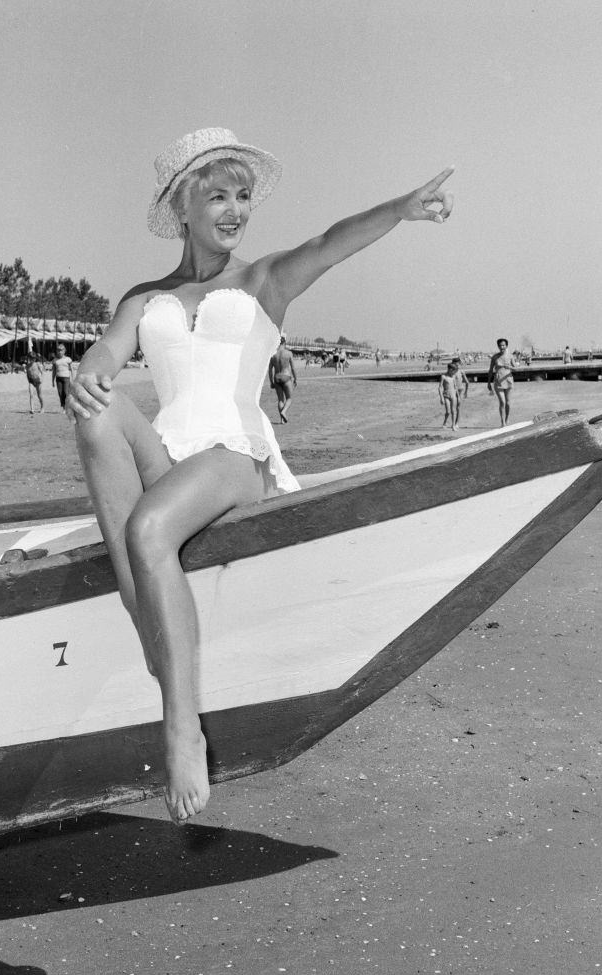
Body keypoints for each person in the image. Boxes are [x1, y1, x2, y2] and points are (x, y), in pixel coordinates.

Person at [66, 126, 454, 824]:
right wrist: (86, 380)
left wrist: (399, 209)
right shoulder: (142, 297)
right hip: (169, 455)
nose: (234, 210)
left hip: (235, 456)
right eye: (216, 196)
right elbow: (104, 355)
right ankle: (155, 635)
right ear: (181, 207)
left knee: (149, 527)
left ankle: (181, 725)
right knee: (95, 419)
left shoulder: (262, 280)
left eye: (242, 196)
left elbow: (328, 244)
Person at [486, 337, 516, 426]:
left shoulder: (510, 356)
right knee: (502, 402)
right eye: (500, 345)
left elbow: (516, 368)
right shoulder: (495, 357)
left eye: (503, 345)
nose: (501, 347)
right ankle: (502, 422)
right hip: (498, 381)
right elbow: (490, 370)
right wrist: (488, 383)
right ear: (498, 346)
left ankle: (507, 419)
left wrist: (509, 367)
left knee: (508, 403)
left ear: (506, 346)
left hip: (508, 381)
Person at [268, 336, 297, 423]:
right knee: (289, 398)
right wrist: (296, 378)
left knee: (280, 399)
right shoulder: (288, 353)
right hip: (286, 377)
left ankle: (281, 420)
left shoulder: (273, 355)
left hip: (277, 377)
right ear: (284, 343)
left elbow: (270, 370)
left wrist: (271, 382)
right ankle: (284, 411)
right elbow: (293, 368)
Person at [438, 361, 464, 427]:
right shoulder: (443, 377)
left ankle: (453, 426)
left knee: (453, 411)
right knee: (448, 412)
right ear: (450, 369)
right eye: (453, 371)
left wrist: (458, 397)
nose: (454, 373)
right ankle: (444, 423)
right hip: (446, 395)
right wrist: (441, 398)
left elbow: (455, 387)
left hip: (453, 396)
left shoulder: (453, 377)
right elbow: (440, 387)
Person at [52, 344, 73, 409]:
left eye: (61, 350)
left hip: (66, 378)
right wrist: (52, 381)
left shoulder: (68, 359)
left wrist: (72, 379)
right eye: (58, 350)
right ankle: (63, 407)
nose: (59, 352)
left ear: (64, 351)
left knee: (66, 393)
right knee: (60, 393)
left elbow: (71, 370)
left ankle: (68, 406)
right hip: (58, 378)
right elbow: (54, 371)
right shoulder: (55, 360)